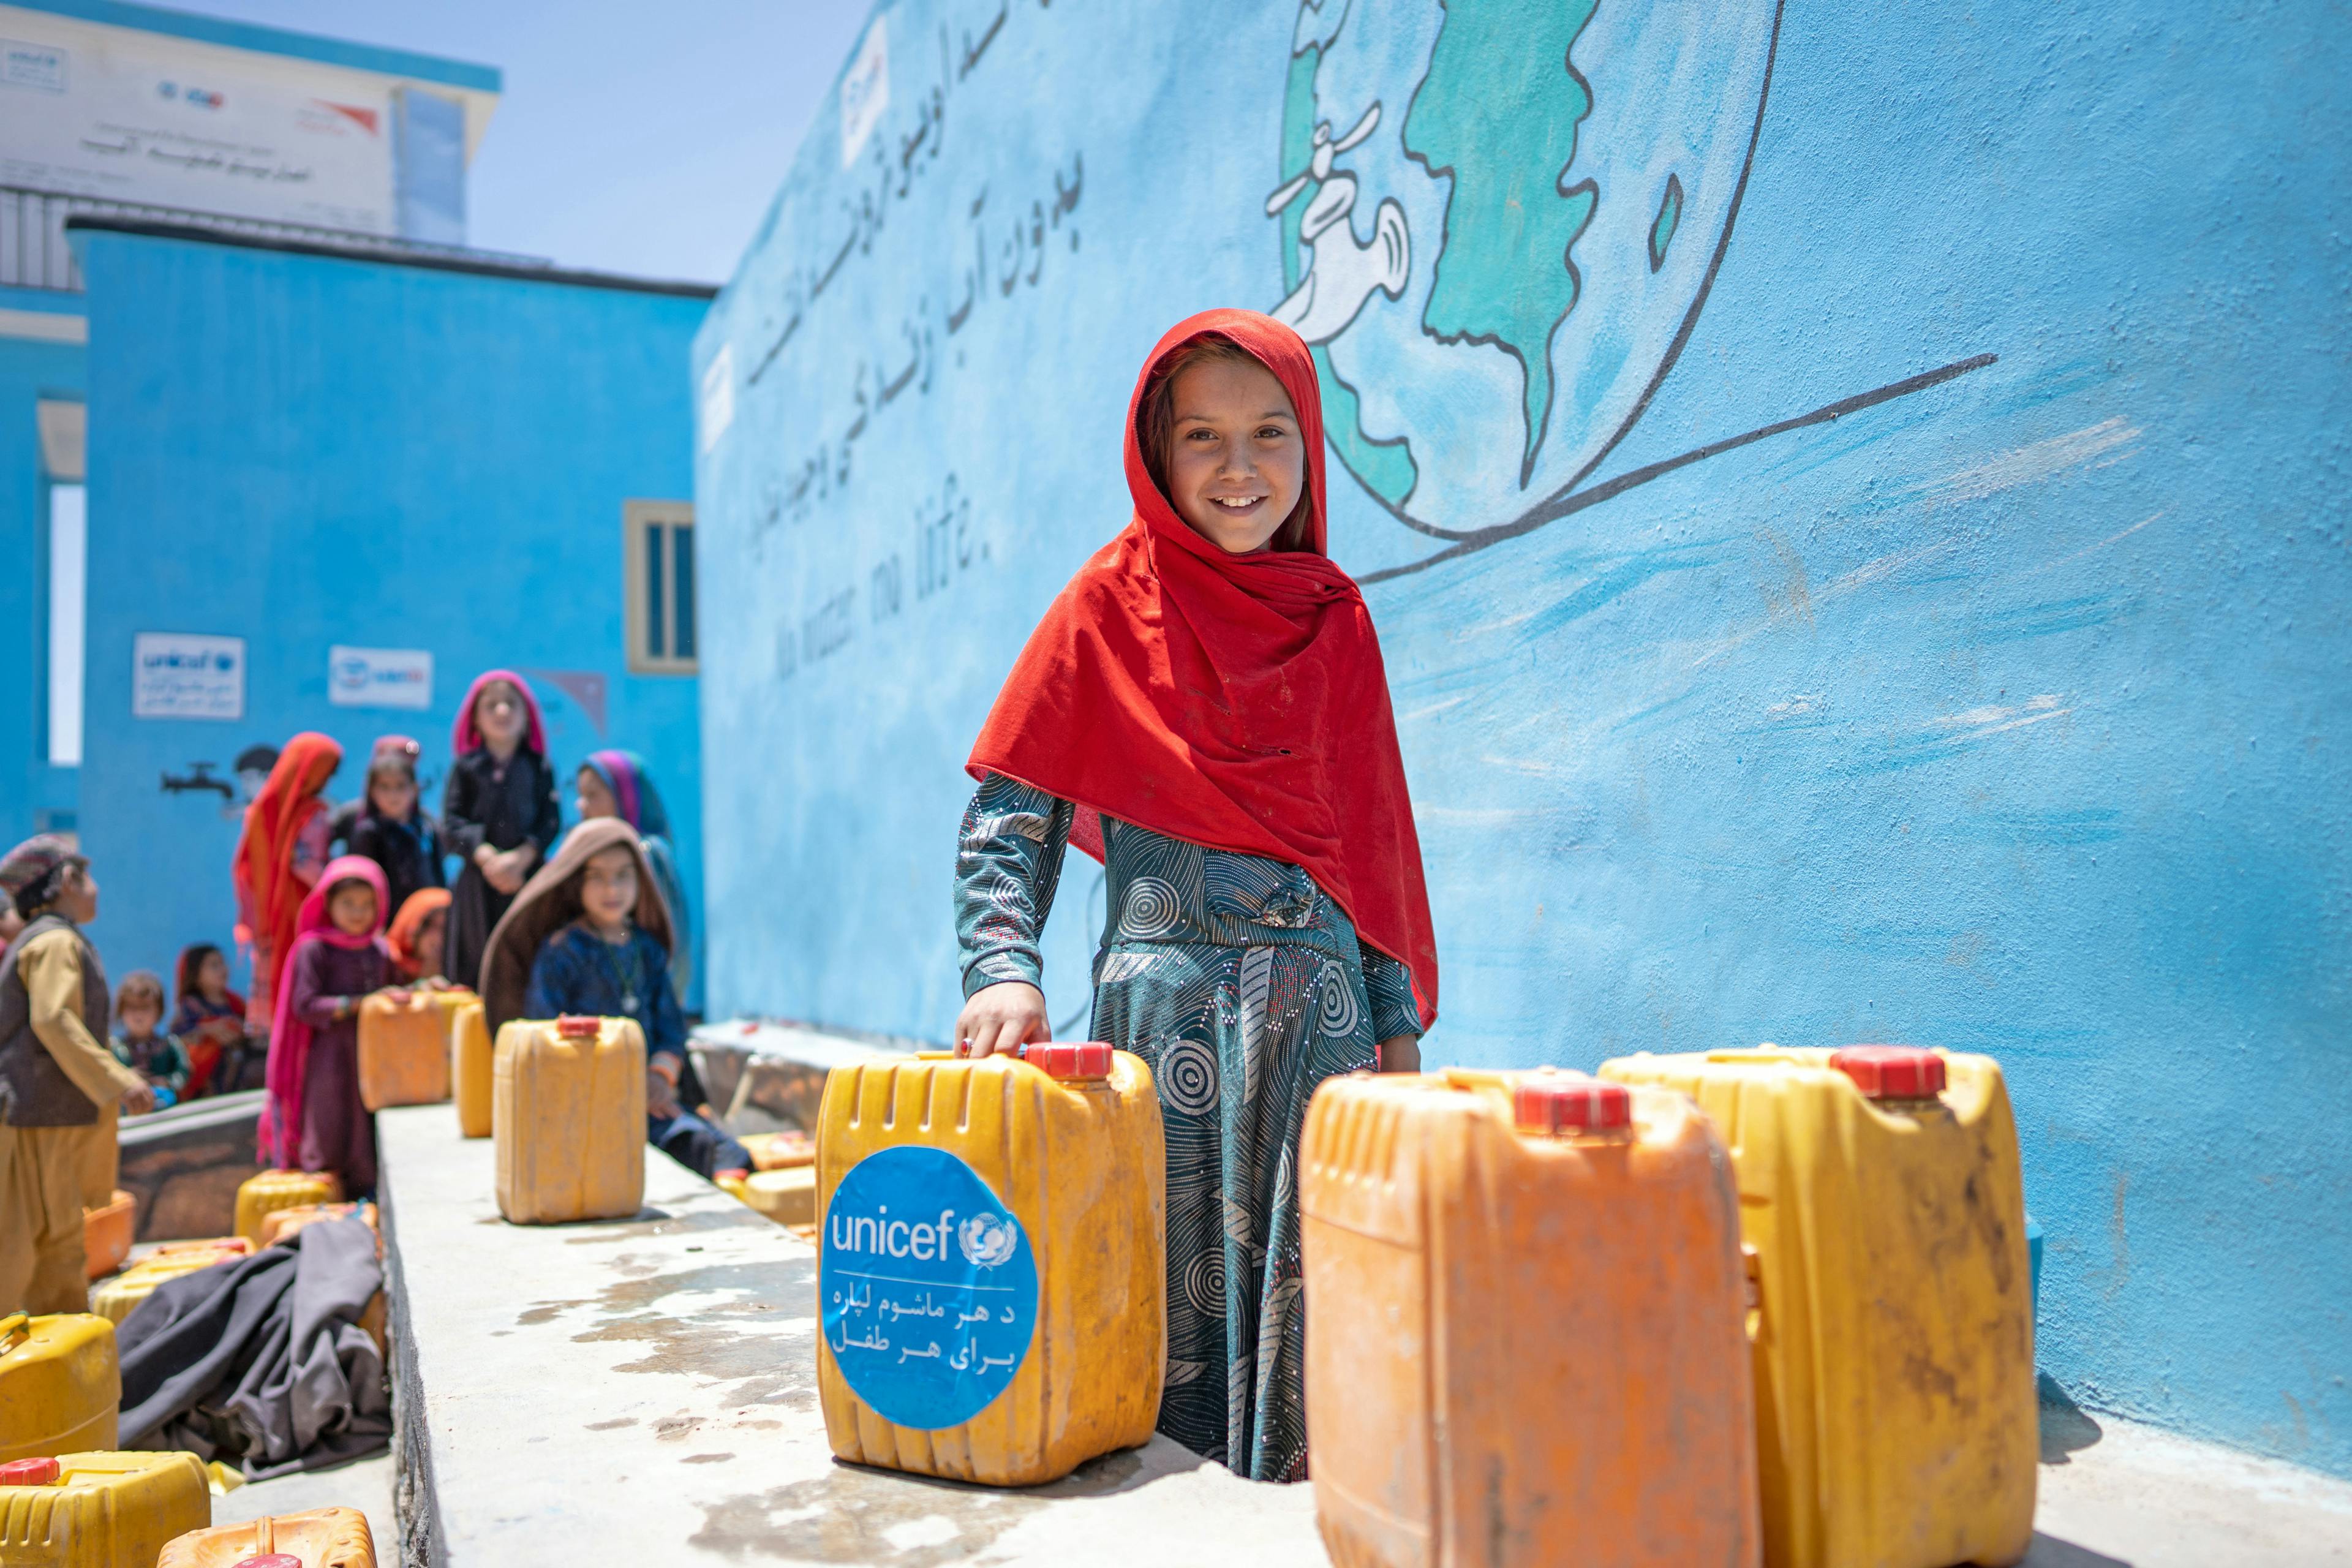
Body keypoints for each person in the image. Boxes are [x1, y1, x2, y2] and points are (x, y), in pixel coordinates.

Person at [951, 310, 1438, 1481]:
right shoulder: (1104, 609)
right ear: (1158, 456)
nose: (1239, 467)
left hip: (1317, 1045)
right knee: (1149, 1351)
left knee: (1322, 1350)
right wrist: (1005, 971)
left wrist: (1399, 1039)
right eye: (1204, 437)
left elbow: (1368, 850)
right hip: (1159, 1034)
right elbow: (1009, 823)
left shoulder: (1337, 622)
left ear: (1311, 449)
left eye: (1272, 433)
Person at [480, 818, 748, 1180]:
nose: (613, 888)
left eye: (625, 875)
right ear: (576, 882)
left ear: (642, 881)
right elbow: (542, 1035)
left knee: (727, 1155)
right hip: (583, 1102)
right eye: (598, 876)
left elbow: (672, 1028)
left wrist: (658, 1079)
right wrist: (606, 1087)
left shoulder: (648, 950)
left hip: (649, 1097)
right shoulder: (562, 953)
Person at [0, 836, 155, 1313]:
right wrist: (119, 1079)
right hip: (35, 1116)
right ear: (67, 881)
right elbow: (53, 1019)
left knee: (52, 1239)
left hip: (44, 1116)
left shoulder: (50, 939)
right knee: (40, 1246)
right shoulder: (54, 942)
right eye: (88, 878)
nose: (96, 889)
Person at [258, 856, 404, 1197]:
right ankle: (327, 1204)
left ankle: (366, 1203)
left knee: (366, 1134)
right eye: (349, 903)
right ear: (328, 904)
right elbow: (305, 1005)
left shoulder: (381, 951)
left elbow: (394, 994)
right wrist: (358, 1004)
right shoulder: (314, 949)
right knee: (330, 1124)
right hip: (328, 1059)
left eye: (368, 904)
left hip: (371, 1057)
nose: (358, 912)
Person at [442, 672, 560, 992]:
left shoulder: (538, 767)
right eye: (491, 705)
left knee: (526, 962)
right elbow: (452, 824)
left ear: (528, 718)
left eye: (511, 704)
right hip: (478, 885)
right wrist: (488, 858)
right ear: (475, 720)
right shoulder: (466, 768)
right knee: (476, 971)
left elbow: (550, 821)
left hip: (526, 880)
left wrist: (521, 859)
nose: (502, 711)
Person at [232, 733, 343, 1038]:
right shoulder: (314, 813)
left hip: (270, 921)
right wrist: (338, 888)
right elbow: (306, 864)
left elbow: (244, 871)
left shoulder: (259, 812)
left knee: (281, 995)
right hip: (307, 914)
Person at [576, 750, 695, 1004]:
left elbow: (669, 937)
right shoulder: (579, 852)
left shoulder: (649, 856)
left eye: (593, 795)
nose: (581, 805)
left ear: (626, 797)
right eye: (580, 795)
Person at [346, 736, 446, 921]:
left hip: (424, 922)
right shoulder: (369, 832)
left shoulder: (426, 828)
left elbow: (438, 875)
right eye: (384, 787)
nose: (393, 795)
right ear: (372, 791)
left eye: (401, 786)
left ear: (415, 789)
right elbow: (363, 886)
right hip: (386, 922)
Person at [170, 943, 246, 1098]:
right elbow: (177, 1039)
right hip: (204, 1080)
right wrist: (209, 1029)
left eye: (223, 963)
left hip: (237, 1072)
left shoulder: (235, 1002)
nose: (223, 969)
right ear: (195, 974)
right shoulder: (190, 1006)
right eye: (214, 965)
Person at [110, 971, 189, 1109]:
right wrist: (125, 1077)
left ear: (159, 1010)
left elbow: (183, 1071)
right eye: (132, 1007)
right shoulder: (114, 1047)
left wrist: (167, 1082)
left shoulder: (170, 1044)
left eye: (145, 1007)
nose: (138, 1014)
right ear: (121, 1010)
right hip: (127, 1114)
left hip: (165, 1110)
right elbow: (105, 1075)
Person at [387, 888, 453, 986]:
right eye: (431, 925)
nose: (440, 937)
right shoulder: (385, 961)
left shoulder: (457, 969)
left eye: (446, 928)